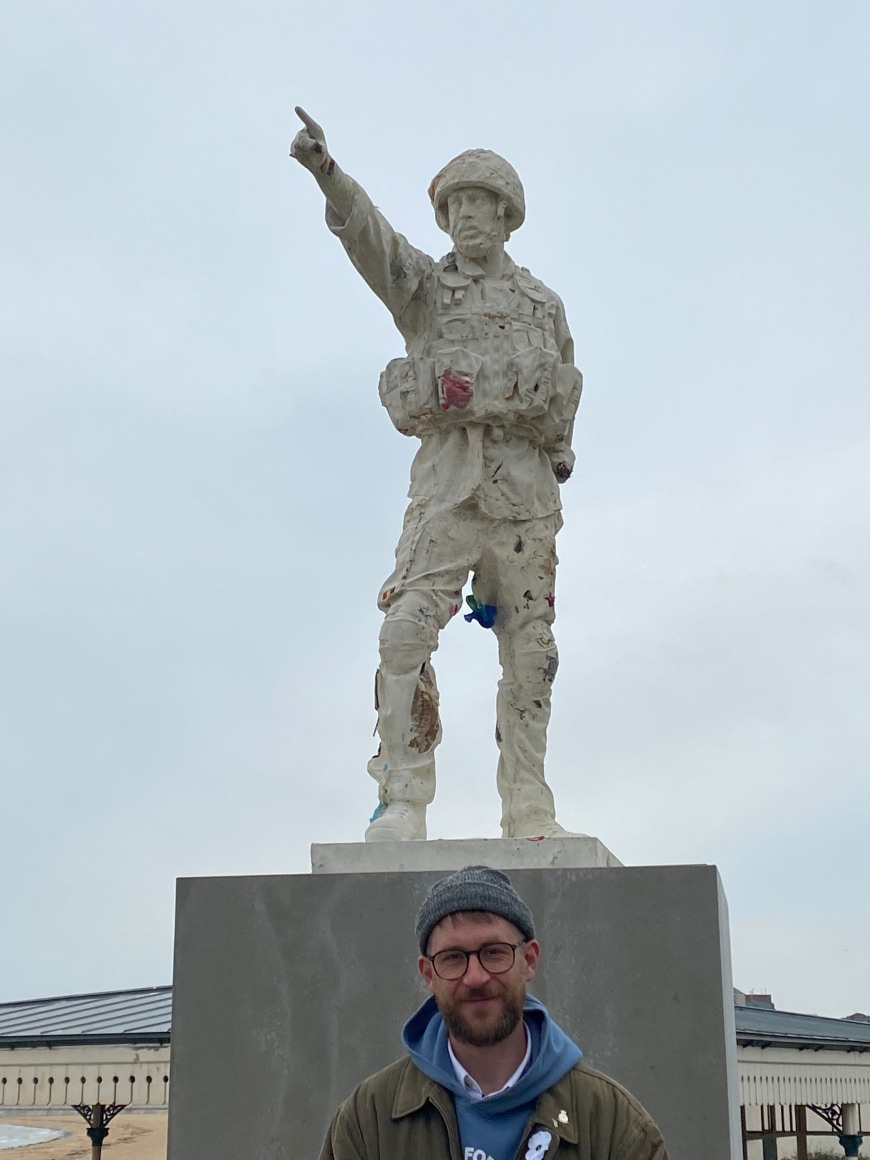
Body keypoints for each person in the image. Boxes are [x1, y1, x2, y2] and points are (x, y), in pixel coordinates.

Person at [291, 109, 583, 843]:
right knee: (403, 634)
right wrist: (332, 177)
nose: (464, 217)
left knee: (531, 651)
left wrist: (551, 449)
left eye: (478, 204)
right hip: (446, 496)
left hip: (521, 505)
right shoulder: (427, 290)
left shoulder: (542, 306)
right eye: (454, 206)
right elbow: (373, 244)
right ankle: (402, 797)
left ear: (506, 214)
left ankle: (528, 801)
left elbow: (564, 395)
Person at [318, 865, 668, 1160]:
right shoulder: (369, 1120)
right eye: (453, 958)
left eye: (494, 952)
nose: (475, 977)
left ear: (528, 960)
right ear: (428, 974)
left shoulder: (611, 1123)